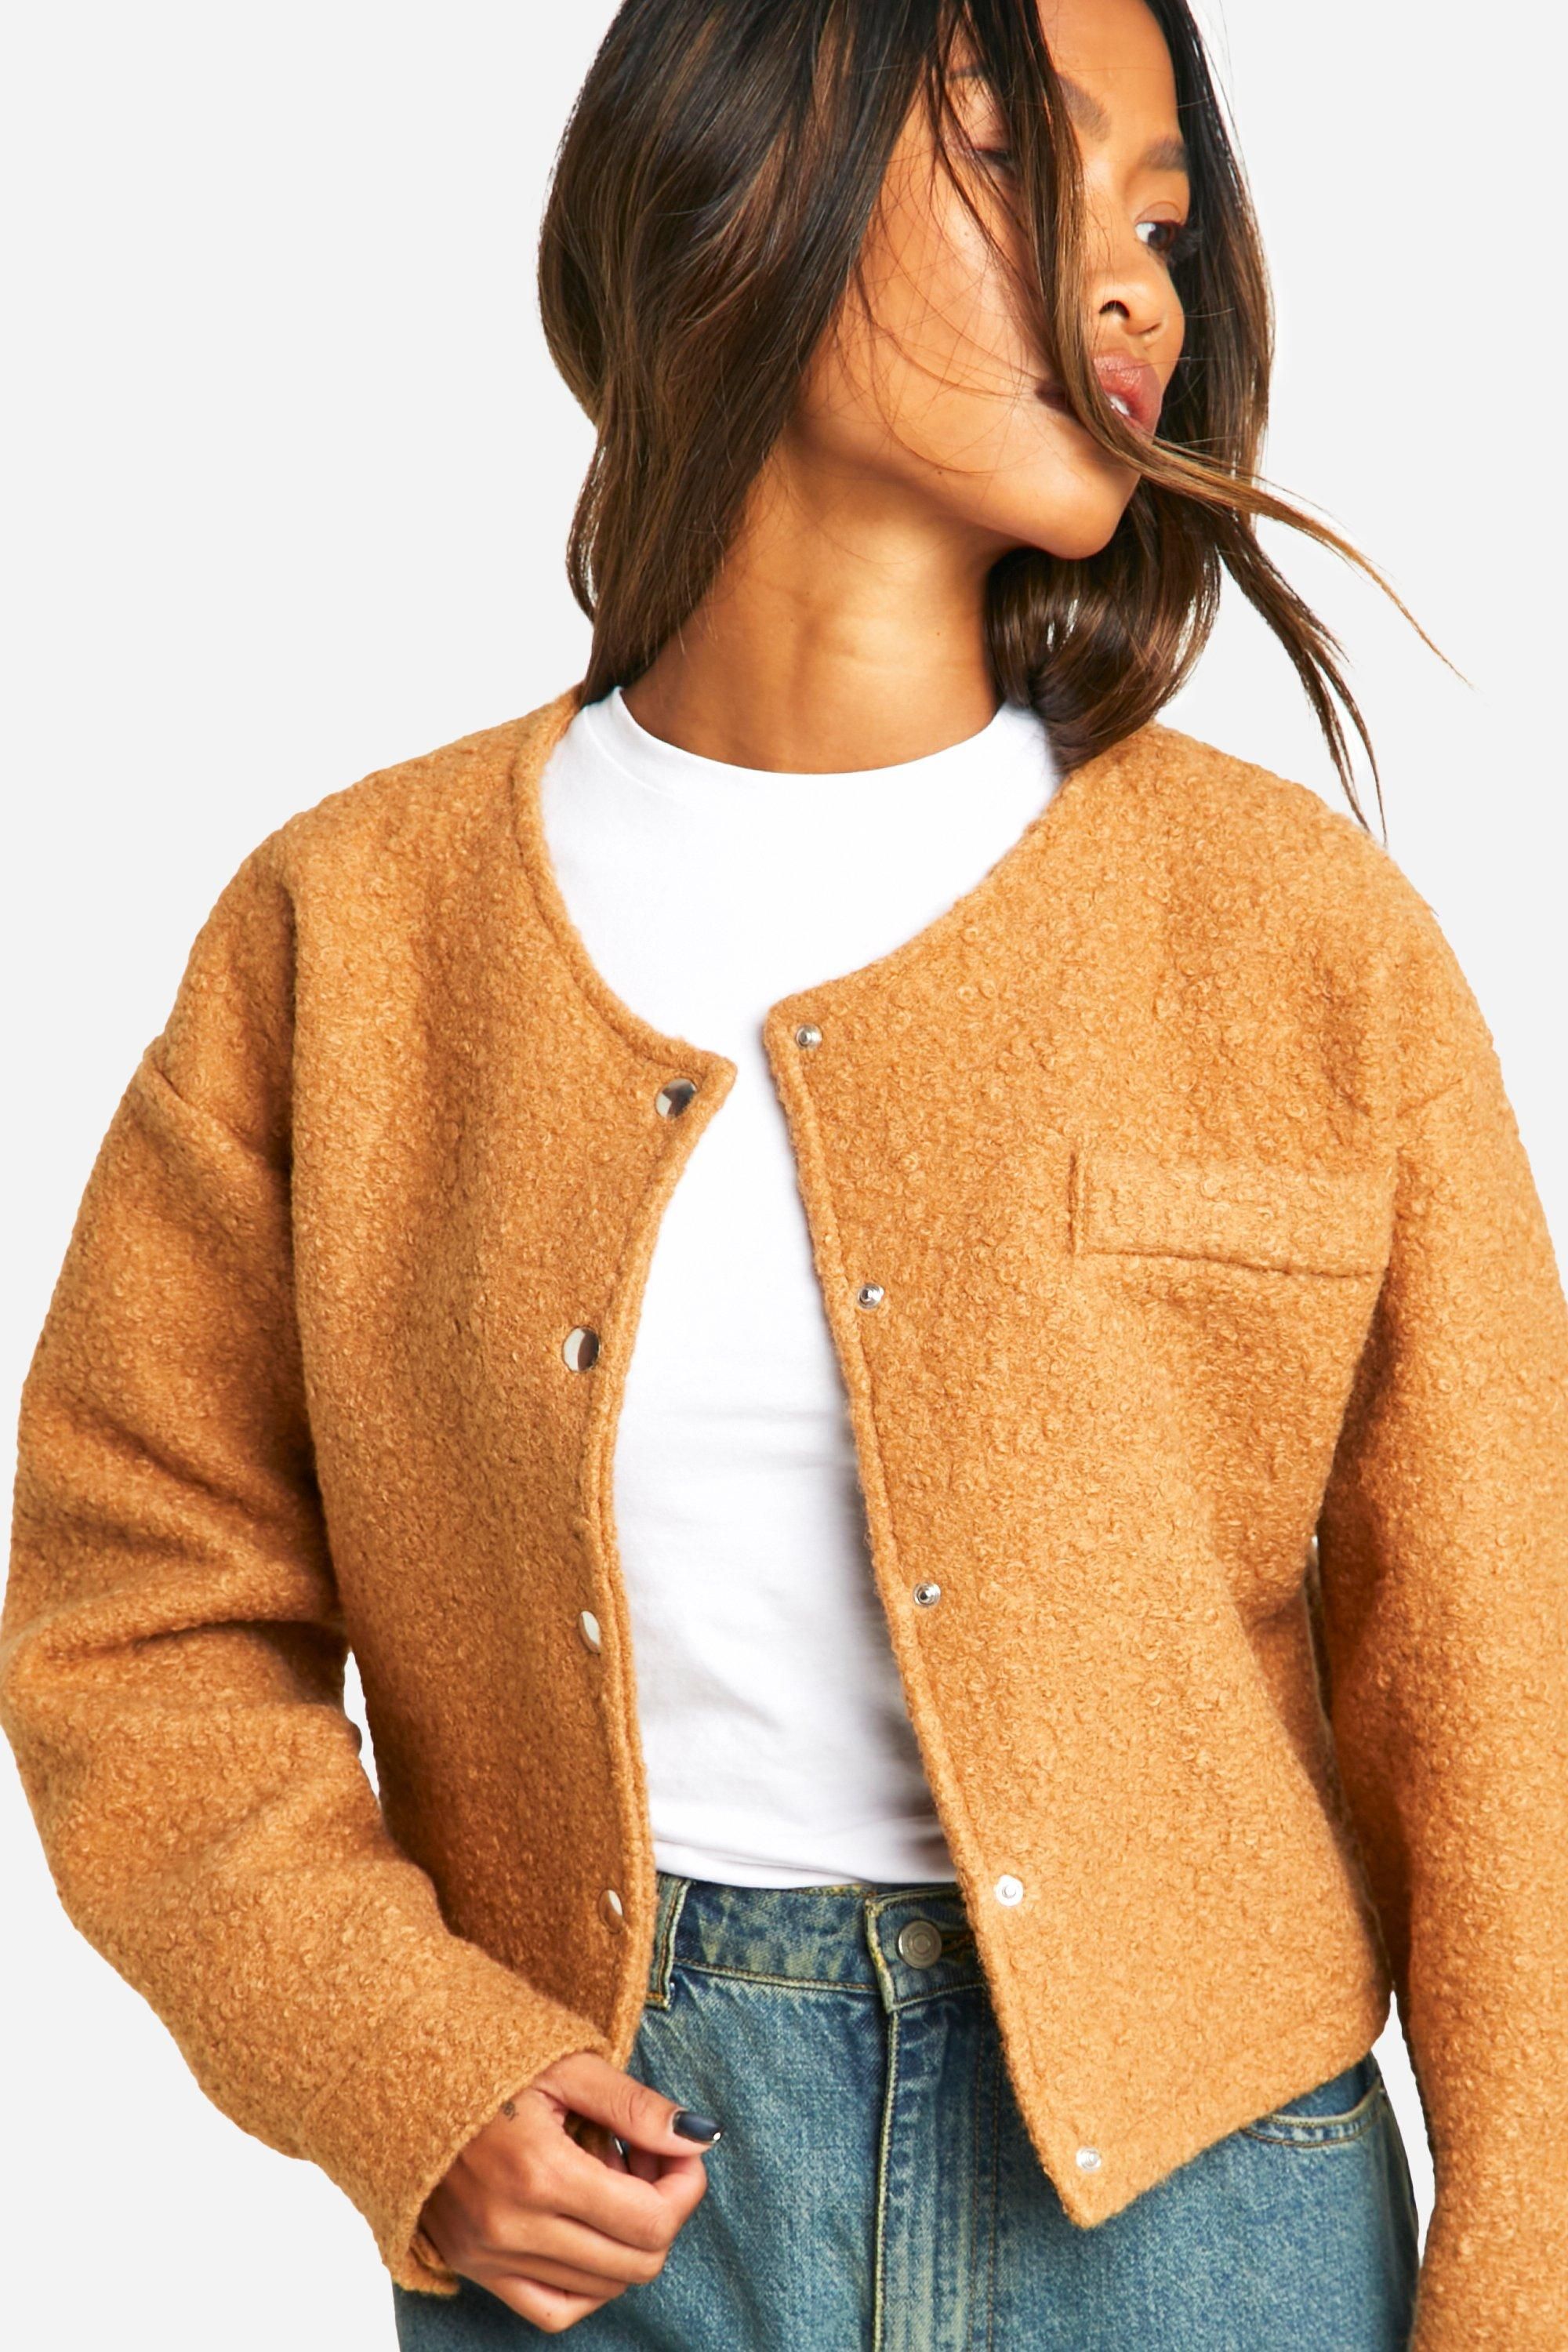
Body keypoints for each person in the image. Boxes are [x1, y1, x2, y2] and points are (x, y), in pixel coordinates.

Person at [4, 0, 1566, 2345]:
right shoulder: (353, 934)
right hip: (604, 2223)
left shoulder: (1301, 941)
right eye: (1023, 160)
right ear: (734, 169)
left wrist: (1523, 2293)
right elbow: (135, 1616)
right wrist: (407, 2068)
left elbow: (1513, 1702)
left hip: (1211, 2232)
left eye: (1167, 222)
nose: (1133, 280)